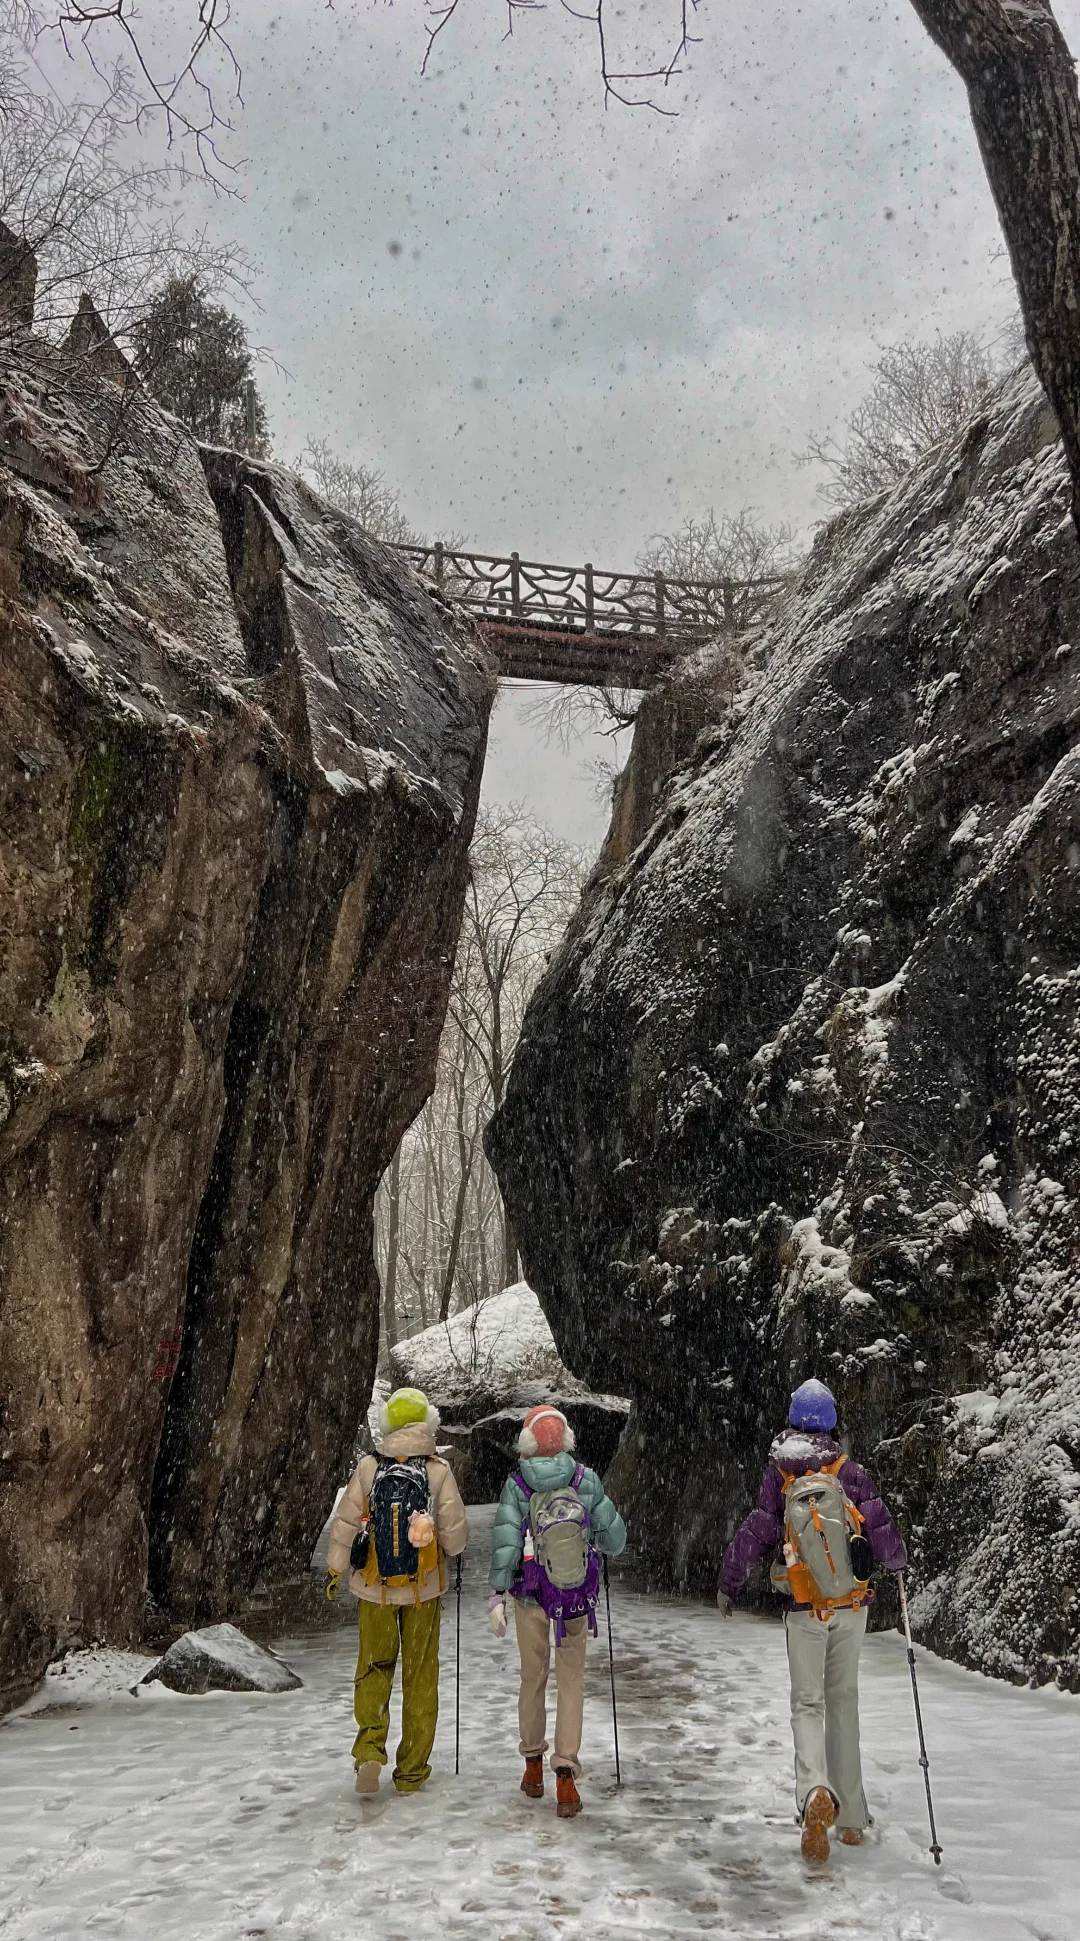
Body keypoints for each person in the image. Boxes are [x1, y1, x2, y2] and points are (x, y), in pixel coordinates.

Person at [717, 1378, 907, 1864]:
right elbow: (883, 1535)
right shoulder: (852, 1473)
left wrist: (730, 1580)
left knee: (807, 1703)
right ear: (832, 1422)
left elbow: (758, 1529)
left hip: (804, 1604)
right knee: (843, 1702)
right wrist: (898, 1560)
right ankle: (852, 1819)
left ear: (793, 1420)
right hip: (852, 1603)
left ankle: (813, 1795)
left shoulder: (778, 1477)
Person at [327, 1385, 468, 1797]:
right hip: (423, 1591)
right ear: (428, 1425)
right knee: (421, 1676)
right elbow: (456, 1539)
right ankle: (411, 1771)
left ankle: (370, 1752)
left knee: (373, 1667)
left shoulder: (370, 1467)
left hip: (374, 1588)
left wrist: (337, 1570)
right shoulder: (439, 1470)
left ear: (387, 1425)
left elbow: (346, 1523)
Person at [487, 1404, 626, 1818]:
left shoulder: (517, 1485)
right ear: (565, 1441)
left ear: (527, 1442)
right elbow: (614, 1540)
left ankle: (532, 1767)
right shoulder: (585, 1480)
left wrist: (498, 1594)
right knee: (571, 1681)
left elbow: (507, 1544)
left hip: (530, 1594)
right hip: (573, 1597)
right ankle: (565, 1774)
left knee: (533, 1678)